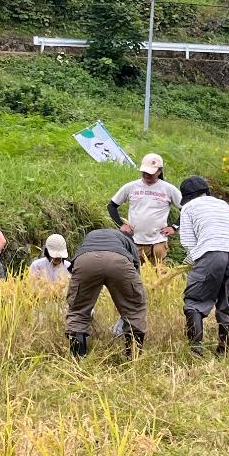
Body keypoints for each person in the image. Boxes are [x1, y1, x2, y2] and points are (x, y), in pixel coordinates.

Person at [176, 175, 229, 356]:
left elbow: (188, 241)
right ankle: (222, 351)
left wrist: (191, 264)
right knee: (228, 305)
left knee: (194, 302)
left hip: (210, 253)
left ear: (186, 197)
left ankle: (196, 351)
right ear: (206, 192)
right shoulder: (225, 206)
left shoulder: (188, 208)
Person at [64, 224, 149, 357]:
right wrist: (130, 302)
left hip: (86, 260)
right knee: (135, 309)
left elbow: (76, 266)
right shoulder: (128, 241)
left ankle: (77, 359)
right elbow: (135, 272)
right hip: (118, 261)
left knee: (78, 310)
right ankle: (133, 357)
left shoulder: (91, 235)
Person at [109, 153, 182, 270]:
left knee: (158, 278)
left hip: (159, 242)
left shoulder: (169, 189)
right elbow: (112, 206)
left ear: (159, 171)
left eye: (150, 173)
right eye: (144, 172)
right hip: (136, 241)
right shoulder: (131, 187)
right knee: (134, 273)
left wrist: (174, 227)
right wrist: (121, 224)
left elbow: (186, 209)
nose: (147, 175)